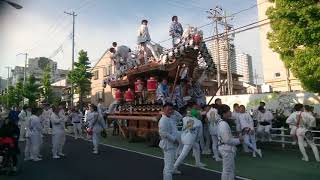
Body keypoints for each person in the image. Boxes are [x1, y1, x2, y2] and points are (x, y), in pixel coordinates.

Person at [174, 108, 206, 173]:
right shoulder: (198, 122)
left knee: (197, 147)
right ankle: (174, 167)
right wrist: (196, 139)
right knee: (183, 154)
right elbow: (200, 134)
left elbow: (178, 127)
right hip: (190, 139)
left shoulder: (184, 118)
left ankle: (198, 163)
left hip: (183, 137)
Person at [217, 104, 243, 180]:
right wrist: (239, 140)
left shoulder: (223, 123)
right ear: (224, 113)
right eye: (229, 111)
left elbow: (226, 138)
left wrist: (235, 138)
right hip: (226, 149)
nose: (230, 112)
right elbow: (227, 140)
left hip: (226, 148)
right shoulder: (223, 124)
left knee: (231, 169)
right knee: (227, 170)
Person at [158, 103, 179, 180]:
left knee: (169, 164)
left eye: (171, 109)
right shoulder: (163, 120)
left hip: (172, 145)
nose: (170, 111)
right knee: (169, 167)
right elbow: (163, 133)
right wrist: (174, 140)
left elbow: (180, 117)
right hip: (168, 145)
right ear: (163, 110)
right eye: (168, 109)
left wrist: (174, 111)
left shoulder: (171, 117)